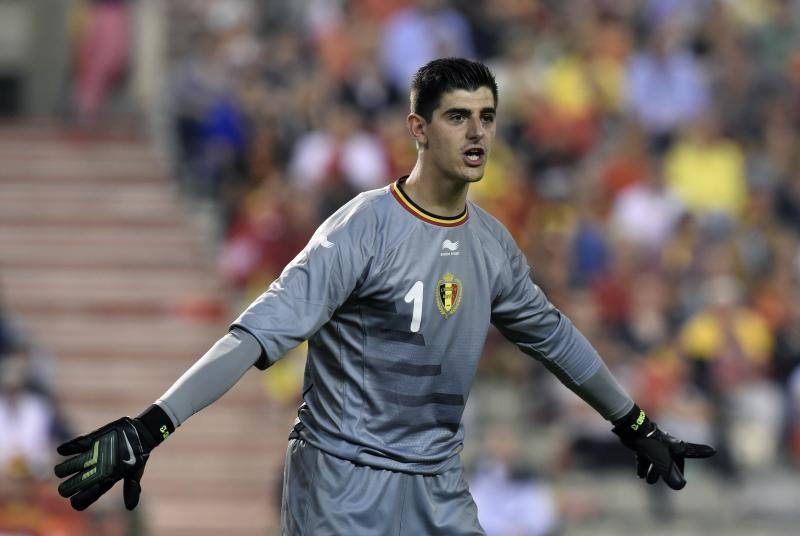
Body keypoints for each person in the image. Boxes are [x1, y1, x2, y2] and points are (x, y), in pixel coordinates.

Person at [54, 58, 715, 534]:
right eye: (457, 117)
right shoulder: (361, 228)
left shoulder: (492, 245)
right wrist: (151, 426)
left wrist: (637, 427)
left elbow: (557, 340)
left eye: (486, 117)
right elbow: (254, 335)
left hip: (438, 485)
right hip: (342, 482)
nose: (477, 132)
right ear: (418, 128)